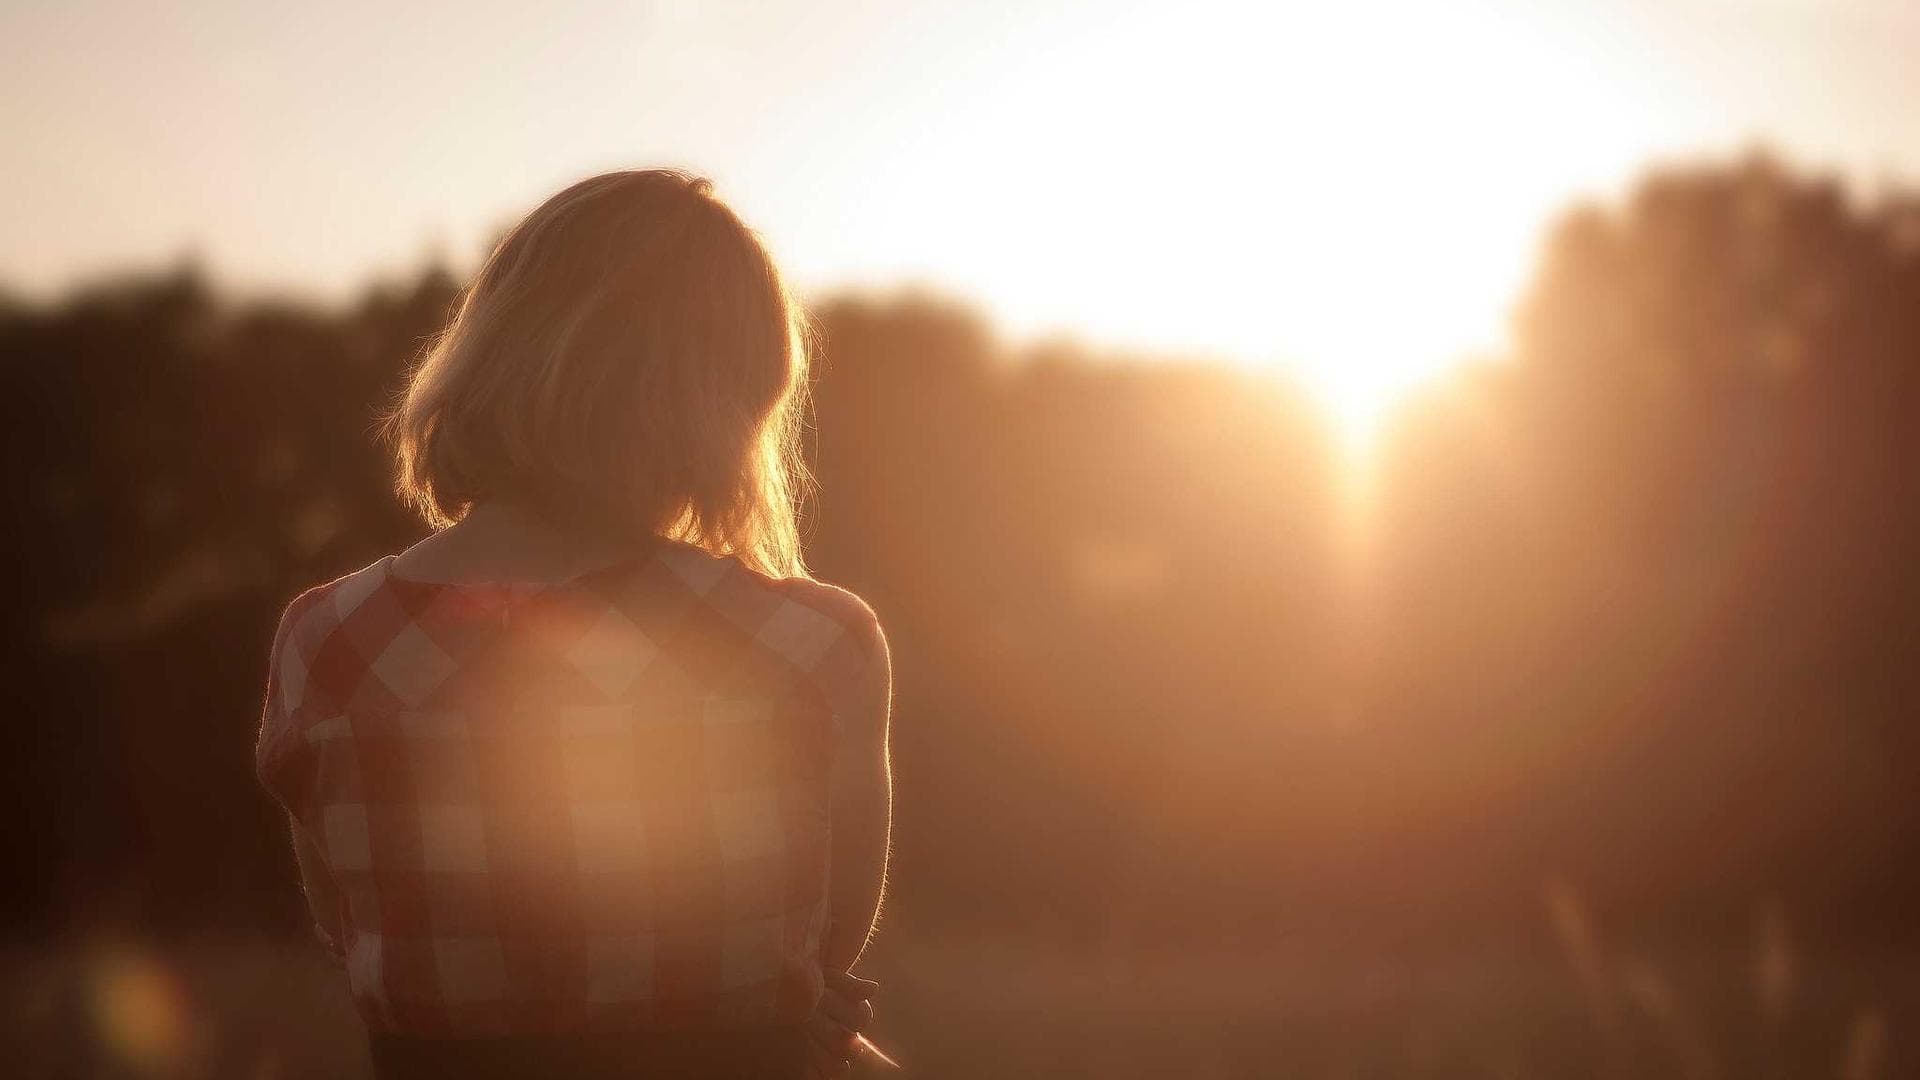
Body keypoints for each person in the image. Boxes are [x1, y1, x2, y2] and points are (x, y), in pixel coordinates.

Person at [254, 170, 892, 1079]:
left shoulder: (328, 641)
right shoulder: (810, 644)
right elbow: (819, 960)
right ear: (729, 399)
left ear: (491, 350)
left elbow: (358, 931)